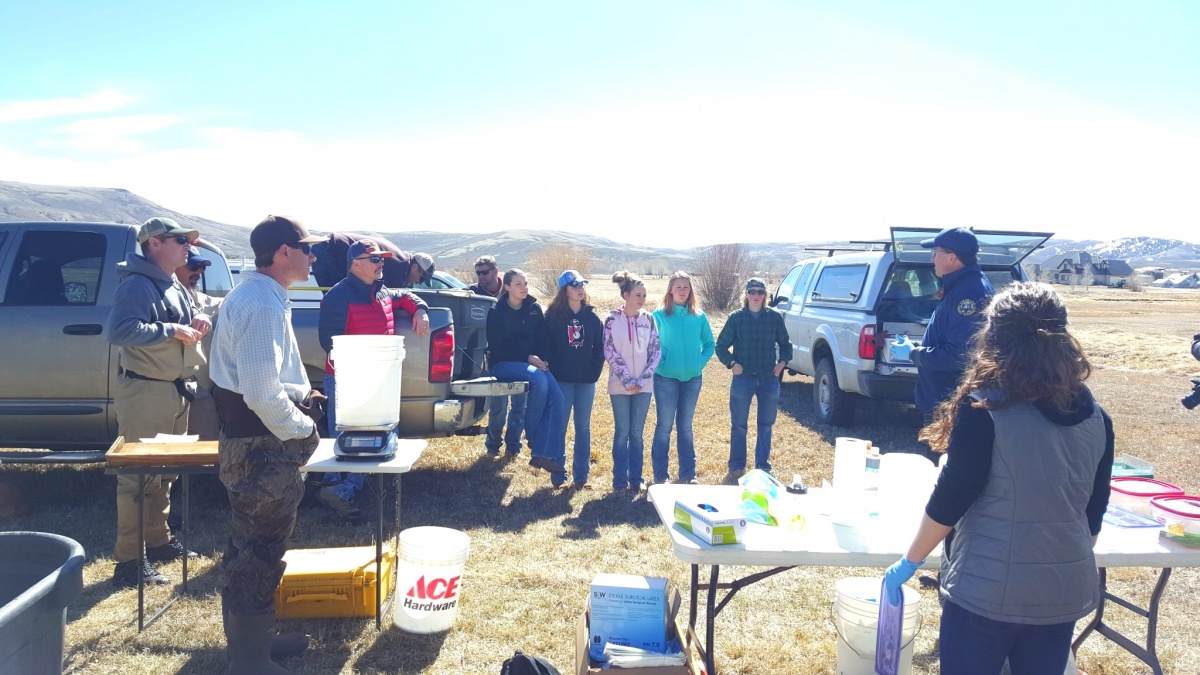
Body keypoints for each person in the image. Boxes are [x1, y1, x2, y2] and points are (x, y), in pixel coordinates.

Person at [883, 282, 1114, 675]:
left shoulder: (986, 408)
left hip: (986, 594)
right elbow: (1092, 518)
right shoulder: (1097, 418)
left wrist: (910, 561)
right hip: (1063, 591)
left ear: (994, 335)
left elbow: (951, 499)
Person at [209, 215, 327, 674]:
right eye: (306, 248)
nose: (313, 257)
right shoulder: (261, 304)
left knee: (250, 548)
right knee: (258, 554)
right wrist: (301, 428)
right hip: (262, 448)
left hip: (251, 442)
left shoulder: (255, 295)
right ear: (283, 253)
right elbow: (261, 393)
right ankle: (252, 662)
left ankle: (251, 649)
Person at [106, 217, 207, 588]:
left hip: (174, 390)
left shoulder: (173, 283)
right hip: (147, 392)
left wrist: (198, 318)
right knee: (138, 476)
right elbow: (120, 330)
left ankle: (159, 542)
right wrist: (171, 329)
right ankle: (130, 562)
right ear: (153, 244)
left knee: (165, 471)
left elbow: (189, 317)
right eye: (179, 240)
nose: (187, 247)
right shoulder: (136, 284)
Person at [317, 239, 429, 523]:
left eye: (382, 259)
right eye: (375, 260)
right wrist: (362, 366)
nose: (382, 264)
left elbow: (405, 297)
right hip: (348, 379)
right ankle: (334, 488)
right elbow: (329, 342)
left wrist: (421, 309)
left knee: (372, 435)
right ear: (356, 263)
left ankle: (349, 489)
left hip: (379, 378)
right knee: (344, 437)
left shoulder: (381, 291)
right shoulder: (338, 296)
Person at [485, 268, 568, 485]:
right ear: (508, 287)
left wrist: (544, 358)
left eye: (526, 283)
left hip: (532, 363)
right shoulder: (496, 311)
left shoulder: (533, 308)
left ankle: (545, 454)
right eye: (519, 284)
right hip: (503, 365)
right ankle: (533, 438)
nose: (524, 288)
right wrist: (529, 358)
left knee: (558, 397)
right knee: (538, 379)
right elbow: (497, 348)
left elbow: (543, 339)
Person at [910, 227, 995, 419]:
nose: (932, 259)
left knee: (942, 450)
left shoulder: (969, 293)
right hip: (946, 397)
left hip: (950, 400)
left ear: (952, 257)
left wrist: (916, 354)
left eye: (935, 253)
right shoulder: (964, 285)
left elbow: (960, 355)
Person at [715, 277, 791, 485]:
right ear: (746, 295)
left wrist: (782, 363)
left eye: (760, 292)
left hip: (769, 378)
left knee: (766, 424)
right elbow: (720, 346)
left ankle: (762, 465)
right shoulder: (736, 318)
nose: (756, 296)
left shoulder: (774, 318)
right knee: (739, 425)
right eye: (752, 292)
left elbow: (786, 344)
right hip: (743, 379)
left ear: (765, 296)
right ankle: (737, 465)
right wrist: (732, 364)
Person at [650, 271, 714, 485]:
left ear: (690, 290)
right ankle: (660, 476)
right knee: (664, 427)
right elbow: (650, 345)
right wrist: (661, 363)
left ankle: (688, 474)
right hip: (665, 378)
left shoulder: (699, 316)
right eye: (678, 287)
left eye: (686, 287)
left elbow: (709, 344)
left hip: (692, 379)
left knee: (685, 427)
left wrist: (698, 363)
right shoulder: (658, 315)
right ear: (670, 289)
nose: (682, 291)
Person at [543, 270, 605, 489]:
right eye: (575, 285)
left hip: (586, 382)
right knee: (559, 427)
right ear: (564, 290)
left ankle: (581, 477)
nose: (580, 289)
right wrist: (553, 373)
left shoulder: (592, 318)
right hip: (562, 382)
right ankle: (558, 477)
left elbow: (600, 348)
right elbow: (546, 348)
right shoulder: (552, 317)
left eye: (582, 285)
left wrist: (593, 372)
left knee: (583, 428)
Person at [603, 271, 661, 493]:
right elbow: (609, 351)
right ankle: (619, 481)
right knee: (622, 431)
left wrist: (643, 379)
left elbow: (655, 350)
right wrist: (627, 379)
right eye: (638, 294)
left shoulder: (649, 319)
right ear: (625, 295)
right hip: (620, 385)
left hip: (644, 386)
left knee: (637, 432)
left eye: (644, 295)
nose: (642, 299)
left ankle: (636, 480)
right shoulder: (611, 320)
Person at [471, 255, 527, 457]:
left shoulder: (513, 289)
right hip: (493, 355)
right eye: (478, 273)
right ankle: (493, 445)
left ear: (496, 271)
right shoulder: (473, 293)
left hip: (518, 354)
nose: (480, 276)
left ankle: (514, 446)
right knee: (498, 405)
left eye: (484, 272)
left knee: (520, 404)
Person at [173, 246, 223, 441]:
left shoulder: (199, 299)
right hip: (161, 386)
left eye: (203, 267)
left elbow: (229, 303)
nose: (199, 272)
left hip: (194, 387)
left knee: (208, 437)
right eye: (193, 265)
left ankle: (203, 471)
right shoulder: (154, 297)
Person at [310, 232, 435, 289]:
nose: (419, 282)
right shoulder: (399, 267)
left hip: (332, 249)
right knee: (338, 298)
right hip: (328, 250)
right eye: (422, 278)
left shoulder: (401, 261)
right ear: (414, 267)